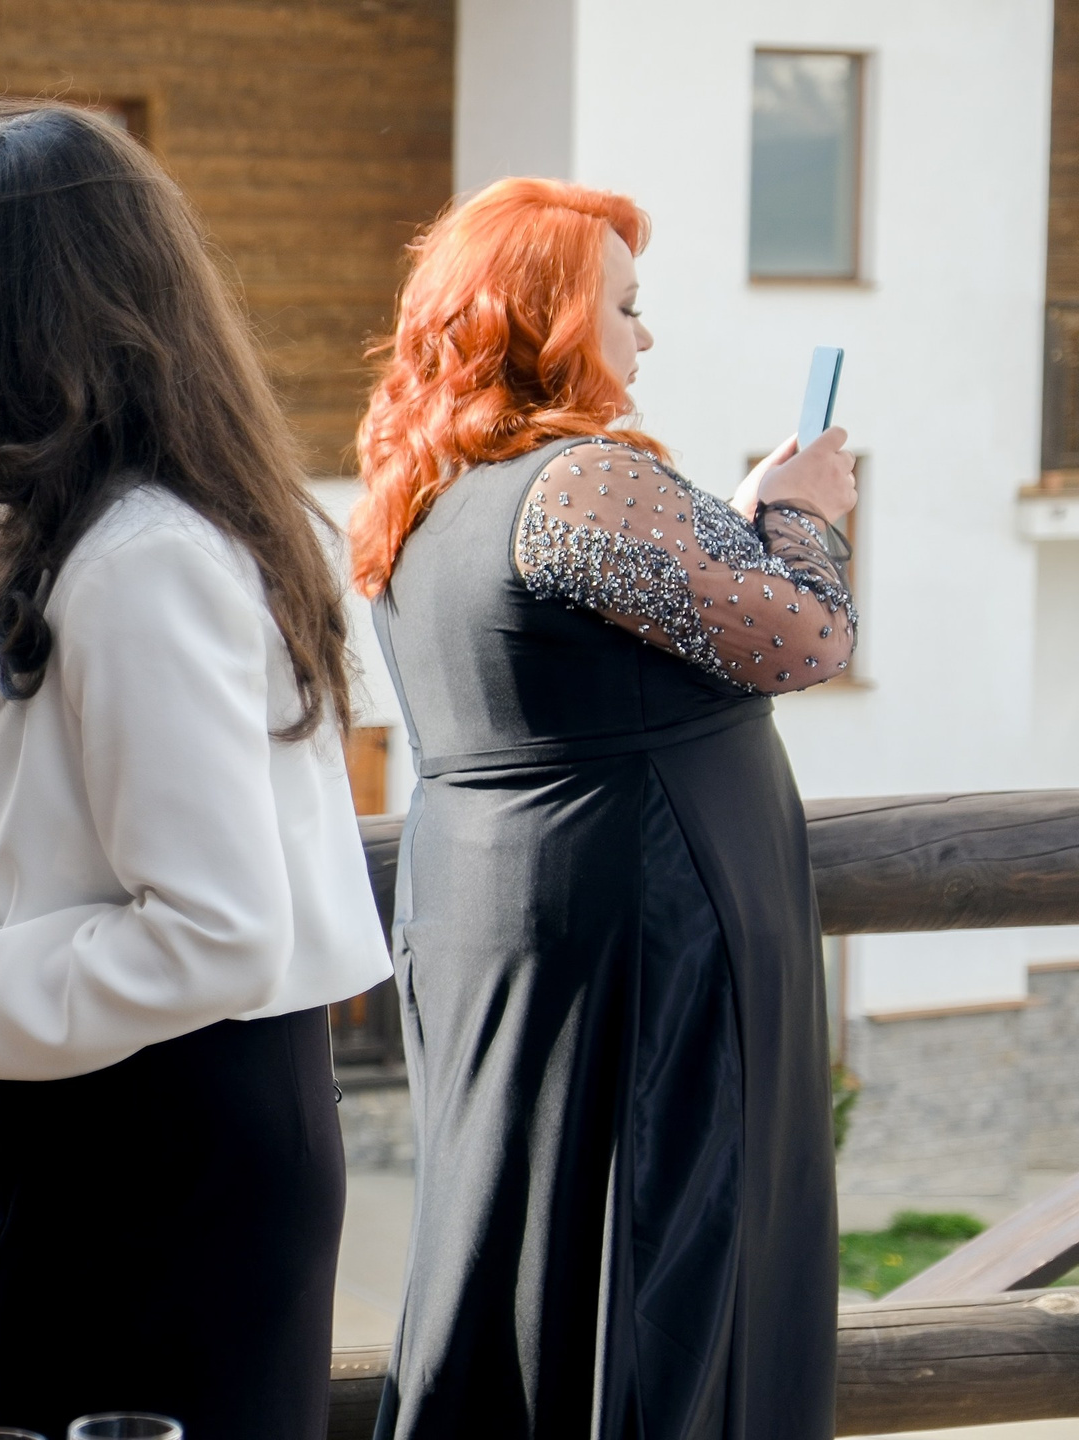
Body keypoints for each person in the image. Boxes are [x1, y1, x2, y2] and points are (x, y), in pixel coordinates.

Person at [0, 104, 392, 1436]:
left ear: (13, 323)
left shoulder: (143, 560)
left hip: (167, 1142)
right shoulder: (116, 531)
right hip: (131, 1123)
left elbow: (213, 929)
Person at [351, 179, 853, 1440]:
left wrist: (729, 533)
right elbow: (805, 640)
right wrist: (802, 516)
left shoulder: (427, 495)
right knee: (665, 1249)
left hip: (507, 907)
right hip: (641, 927)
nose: (644, 336)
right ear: (553, 323)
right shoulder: (582, 482)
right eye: (623, 307)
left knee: (522, 1243)